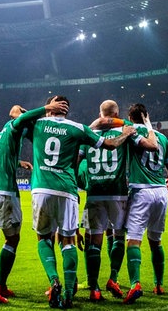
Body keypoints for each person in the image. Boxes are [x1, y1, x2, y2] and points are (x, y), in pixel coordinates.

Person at [0, 98, 69, 304]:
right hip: (3, 192)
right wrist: (46, 109)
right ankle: (0, 285)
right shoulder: (10, 130)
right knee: (12, 240)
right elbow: (19, 116)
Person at [29, 95, 136, 309]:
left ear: (51, 108)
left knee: (44, 238)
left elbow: (16, 114)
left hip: (45, 189)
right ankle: (71, 292)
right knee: (73, 241)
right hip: (80, 191)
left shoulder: (38, 123)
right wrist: (124, 131)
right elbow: (111, 144)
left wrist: (44, 107)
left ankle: (56, 280)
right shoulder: (78, 128)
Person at [76, 100, 159, 302]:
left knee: (93, 241)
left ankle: (94, 287)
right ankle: (113, 277)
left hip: (94, 195)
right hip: (118, 195)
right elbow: (151, 146)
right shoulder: (126, 131)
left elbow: (75, 162)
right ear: (117, 114)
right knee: (119, 237)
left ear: (100, 113)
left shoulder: (88, 134)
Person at [122, 103, 168, 305]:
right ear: (147, 115)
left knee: (133, 240)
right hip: (161, 193)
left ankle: (135, 283)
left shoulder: (130, 132)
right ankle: (159, 284)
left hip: (141, 191)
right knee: (156, 241)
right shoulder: (162, 137)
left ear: (130, 116)